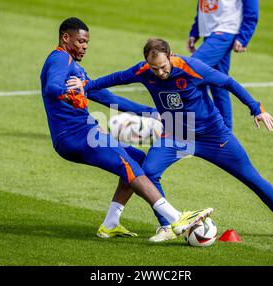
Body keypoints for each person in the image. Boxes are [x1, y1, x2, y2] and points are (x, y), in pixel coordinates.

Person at [69, 38, 273, 242]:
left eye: (163, 67)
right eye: (155, 69)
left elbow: (227, 82)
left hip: (213, 136)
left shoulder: (192, 67)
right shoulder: (143, 71)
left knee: (251, 178)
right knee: (148, 172)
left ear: (171, 56)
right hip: (174, 134)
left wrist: (256, 108)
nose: (160, 73)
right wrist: (86, 85)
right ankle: (167, 226)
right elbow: (116, 78)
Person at [40, 18, 213, 239]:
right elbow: (52, 86)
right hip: (76, 135)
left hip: (79, 135)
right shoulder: (59, 59)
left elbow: (107, 97)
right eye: (81, 41)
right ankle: (176, 218)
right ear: (66, 38)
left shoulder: (75, 68)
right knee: (128, 166)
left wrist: (153, 112)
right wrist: (65, 94)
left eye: (87, 42)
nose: (85, 46)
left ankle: (111, 223)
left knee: (137, 158)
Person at [188, 0, 259, 130]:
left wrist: (243, 37)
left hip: (225, 31)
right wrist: (195, 31)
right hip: (210, 33)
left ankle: (184, 128)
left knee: (189, 72)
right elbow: (203, 5)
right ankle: (226, 137)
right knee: (218, 85)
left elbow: (252, 10)